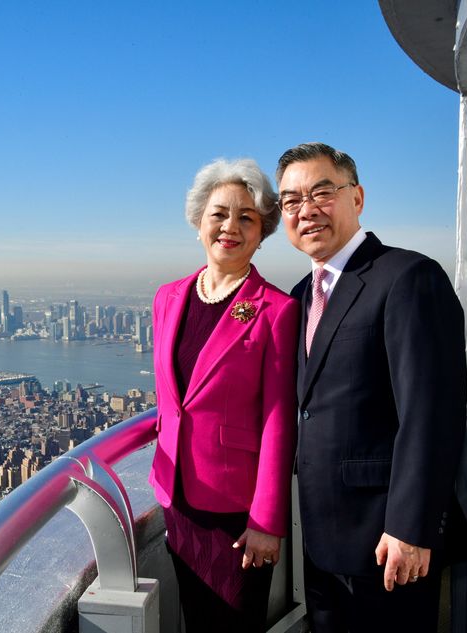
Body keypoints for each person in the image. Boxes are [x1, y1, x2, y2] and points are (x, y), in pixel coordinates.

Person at [275, 142, 467, 632]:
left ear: (356, 198)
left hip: (388, 542)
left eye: (322, 192)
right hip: (322, 542)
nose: (307, 210)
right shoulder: (301, 296)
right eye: (291, 201)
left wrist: (410, 527)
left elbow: (430, 414)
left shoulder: (407, 276)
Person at [148, 158, 299, 632]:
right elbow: (174, 398)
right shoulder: (168, 297)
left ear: (261, 232)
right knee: (197, 618)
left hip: (238, 511)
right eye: (219, 213)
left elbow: (279, 420)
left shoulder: (276, 309)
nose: (229, 227)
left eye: (246, 217)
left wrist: (267, 520)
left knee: (235, 623)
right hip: (178, 496)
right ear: (198, 222)